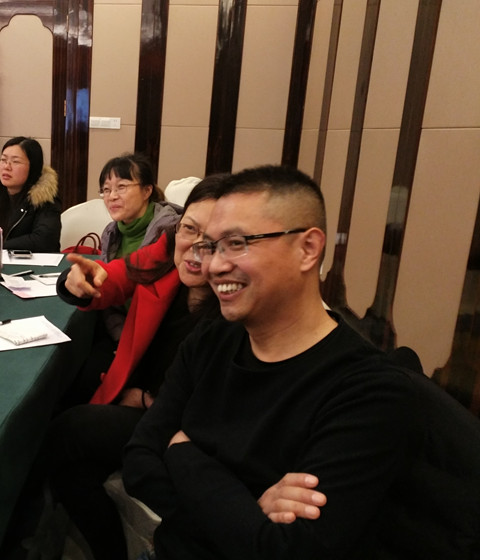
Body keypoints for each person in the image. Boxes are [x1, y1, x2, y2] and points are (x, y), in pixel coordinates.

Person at [122, 164, 423, 559]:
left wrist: (182, 453)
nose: (213, 265)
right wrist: (245, 513)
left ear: (307, 249)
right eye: (211, 246)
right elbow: (139, 462)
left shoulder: (369, 390)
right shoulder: (209, 341)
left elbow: (288, 550)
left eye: (237, 243)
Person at [43, 175, 224, 560]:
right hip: (141, 391)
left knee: (66, 431)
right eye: (190, 228)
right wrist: (77, 281)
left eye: (217, 238)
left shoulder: (236, 305)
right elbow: (119, 274)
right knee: (67, 445)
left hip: (175, 422)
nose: (196, 246)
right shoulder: (168, 250)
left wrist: (144, 399)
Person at [0, 136, 61, 253]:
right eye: (3, 160)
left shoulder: (45, 198)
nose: (6, 167)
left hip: (34, 262)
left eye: (15, 162)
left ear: (33, 167)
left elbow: (44, 240)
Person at [98, 153, 181, 262]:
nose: (112, 196)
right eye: (106, 189)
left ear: (146, 191)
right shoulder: (110, 233)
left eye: (121, 187)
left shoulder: (171, 231)